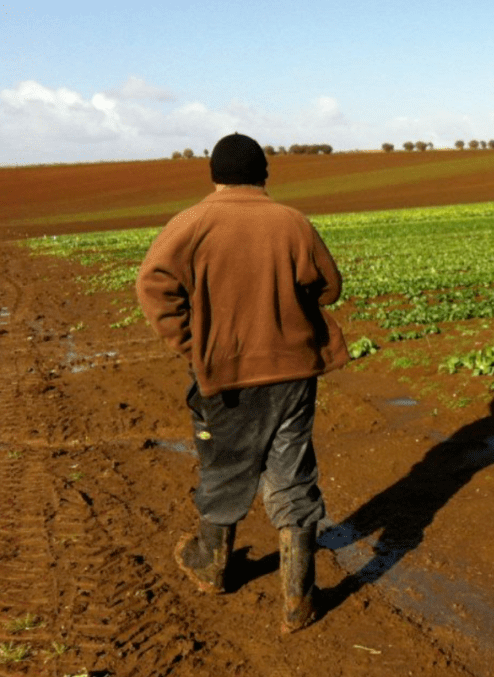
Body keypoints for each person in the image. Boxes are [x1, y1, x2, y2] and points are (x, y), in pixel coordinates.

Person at [135, 132, 349, 633]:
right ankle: (298, 599)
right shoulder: (291, 221)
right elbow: (330, 287)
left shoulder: (191, 223)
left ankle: (211, 564)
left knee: (226, 465)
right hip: (294, 370)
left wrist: (192, 345)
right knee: (292, 471)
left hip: (228, 373)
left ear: (213, 175)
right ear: (264, 176)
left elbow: (153, 285)